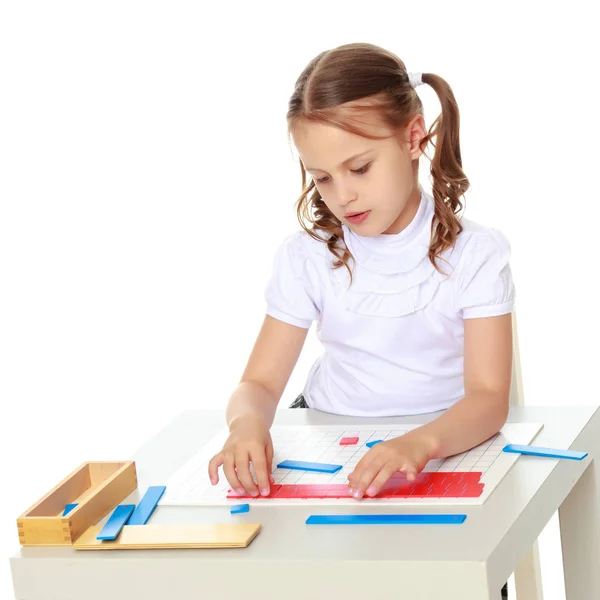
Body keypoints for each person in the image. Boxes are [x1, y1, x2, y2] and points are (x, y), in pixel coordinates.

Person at [208, 42, 514, 587]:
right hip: (332, 443)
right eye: (322, 178)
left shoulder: (477, 254)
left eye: (359, 167)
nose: (342, 196)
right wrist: (247, 421)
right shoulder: (308, 256)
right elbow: (257, 381)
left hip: (445, 443)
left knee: (450, 579)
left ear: (413, 137)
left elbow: (489, 399)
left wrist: (420, 442)